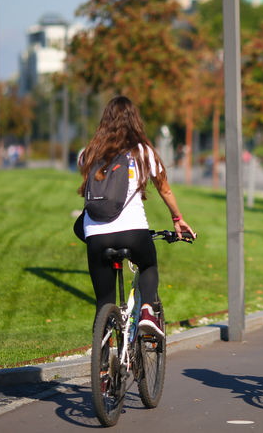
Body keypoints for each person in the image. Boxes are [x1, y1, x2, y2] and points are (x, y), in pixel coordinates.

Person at [78, 95, 196, 340]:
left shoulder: (90, 151)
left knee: (103, 302)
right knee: (149, 264)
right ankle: (147, 312)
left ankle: (101, 370)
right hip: (133, 231)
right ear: (135, 121)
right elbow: (165, 189)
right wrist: (178, 218)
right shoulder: (143, 152)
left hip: (96, 234)